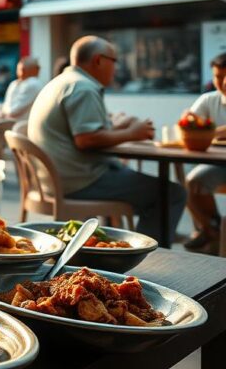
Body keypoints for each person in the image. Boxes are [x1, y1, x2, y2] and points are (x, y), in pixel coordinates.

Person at [28, 36, 185, 244]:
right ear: (98, 60)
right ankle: (148, 258)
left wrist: (120, 127)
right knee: (171, 194)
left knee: (141, 183)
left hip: (55, 179)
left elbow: (85, 131)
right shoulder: (83, 87)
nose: (116, 68)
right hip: (78, 181)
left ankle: (132, 244)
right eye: (114, 61)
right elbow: (86, 139)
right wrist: (132, 133)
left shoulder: (61, 82)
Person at [180, 53, 226, 252]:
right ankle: (213, 232)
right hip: (218, 164)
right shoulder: (209, 100)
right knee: (190, 181)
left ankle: (210, 235)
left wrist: (209, 131)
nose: (222, 82)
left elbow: (203, 131)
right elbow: (188, 126)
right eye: (217, 76)